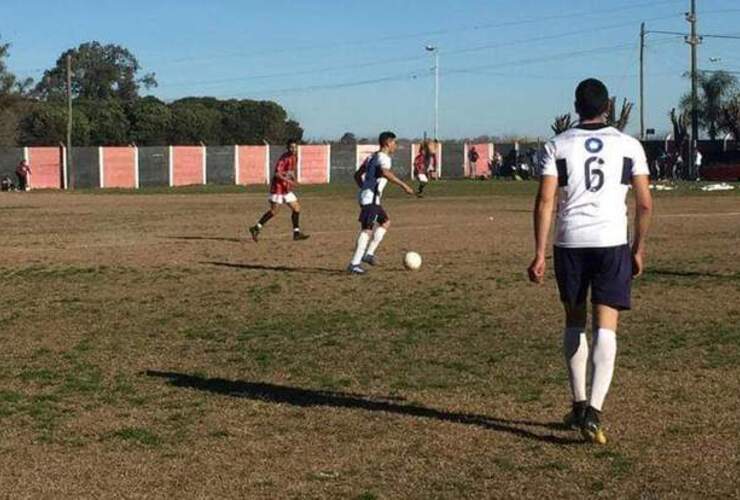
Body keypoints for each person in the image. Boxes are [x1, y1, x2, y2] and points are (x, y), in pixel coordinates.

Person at [528, 78, 653, 445]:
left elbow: (545, 201)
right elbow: (644, 203)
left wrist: (539, 252)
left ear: (575, 106)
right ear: (608, 107)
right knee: (606, 327)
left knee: (574, 320)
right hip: (612, 241)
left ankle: (579, 404)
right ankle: (594, 412)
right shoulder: (629, 145)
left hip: (570, 242)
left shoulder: (557, 145)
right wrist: (638, 248)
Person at [347, 131, 415, 274]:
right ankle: (354, 264)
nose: (395, 145)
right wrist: (404, 185)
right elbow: (385, 173)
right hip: (370, 198)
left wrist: (364, 188)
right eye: (394, 142)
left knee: (385, 222)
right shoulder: (384, 157)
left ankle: (368, 254)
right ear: (387, 143)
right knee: (367, 229)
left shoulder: (372, 156)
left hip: (370, 198)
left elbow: (357, 175)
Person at [249, 140, 309, 242]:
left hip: (286, 187)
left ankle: (296, 233)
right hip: (278, 187)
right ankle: (256, 228)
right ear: (287, 148)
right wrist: (288, 180)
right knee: (274, 211)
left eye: (295, 147)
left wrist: (294, 180)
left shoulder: (295, 157)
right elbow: (277, 174)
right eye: (291, 147)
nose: (293, 149)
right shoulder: (283, 158)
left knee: (296, 208)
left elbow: (290, 171)